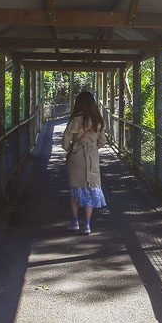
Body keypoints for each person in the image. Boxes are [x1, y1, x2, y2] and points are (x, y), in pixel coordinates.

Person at [61, 90, 107, 234]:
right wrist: (93, 147)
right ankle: (86, 224)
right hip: (92, 157)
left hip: (76, 156)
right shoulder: (98, 120)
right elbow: (102, 142)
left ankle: (74, 221)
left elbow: (65, 142)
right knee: (90, 189)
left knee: (75, 189)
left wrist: (71, 148)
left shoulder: (75, 120)